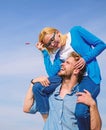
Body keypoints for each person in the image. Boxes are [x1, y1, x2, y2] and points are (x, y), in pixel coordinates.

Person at [23, 26, 106, 129]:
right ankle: (47, 120)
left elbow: (101, 45)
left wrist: (85, 59)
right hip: (71, 78)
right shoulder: (59, 54)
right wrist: (44, 52)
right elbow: (52, 73)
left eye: (52, 39)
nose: (53, 44)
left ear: (57, 32)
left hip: (88, 78)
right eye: (49, 44)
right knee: (38, 87)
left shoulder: (76, 32)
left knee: (80, 111)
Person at [44, 52, 102, 130]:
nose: (62, 64)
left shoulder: (84, 96)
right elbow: (27, 108)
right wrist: (33, 83)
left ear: (76, 71)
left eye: (67, 63)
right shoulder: (51, 92)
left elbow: (96, 129)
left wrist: (93, 105)